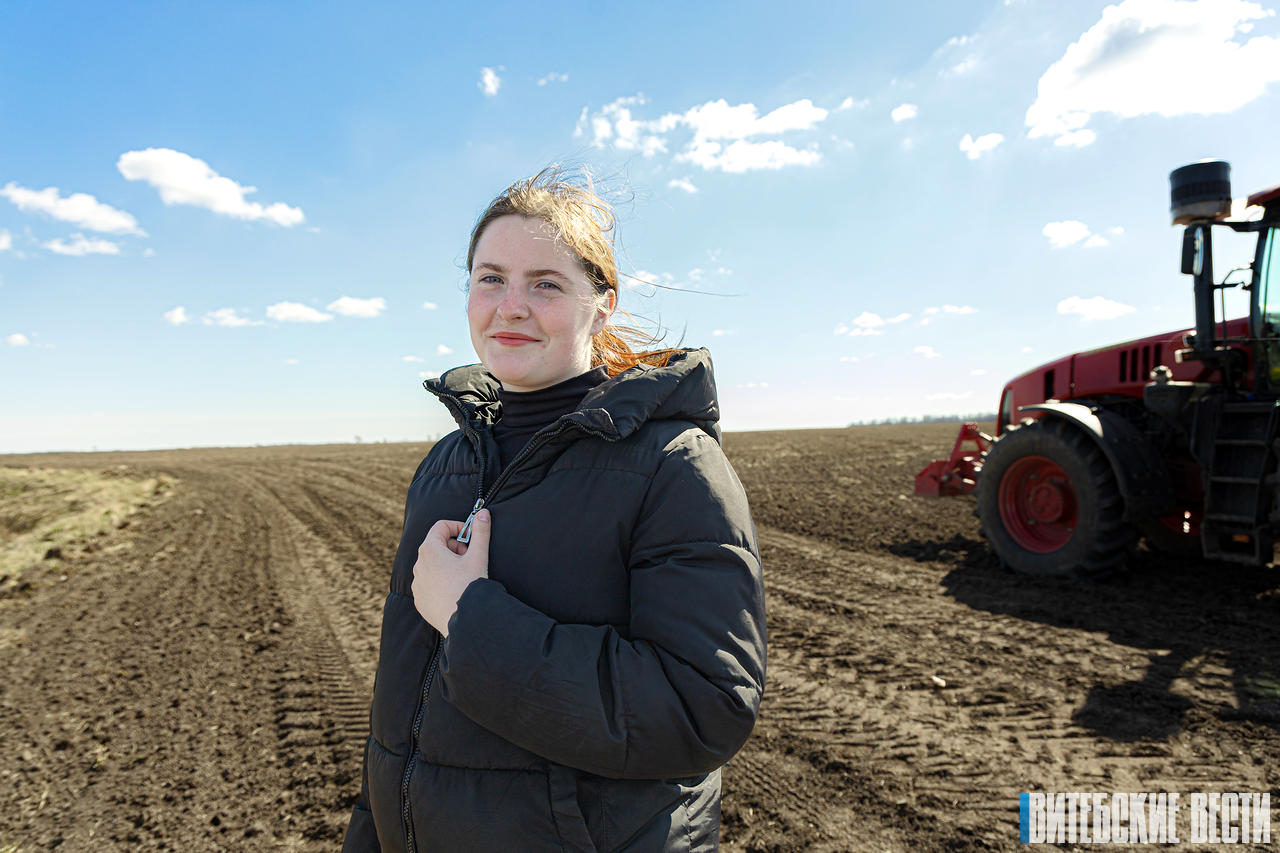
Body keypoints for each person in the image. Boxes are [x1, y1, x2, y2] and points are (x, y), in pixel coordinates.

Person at [342, 168, 767, 852]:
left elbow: (701, 710)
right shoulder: (446, 465)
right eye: (490, 278)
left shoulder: (672, 465)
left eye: (545, 283)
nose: (509, 306)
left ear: (602, 304)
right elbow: (399, 716)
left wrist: (468, 615)